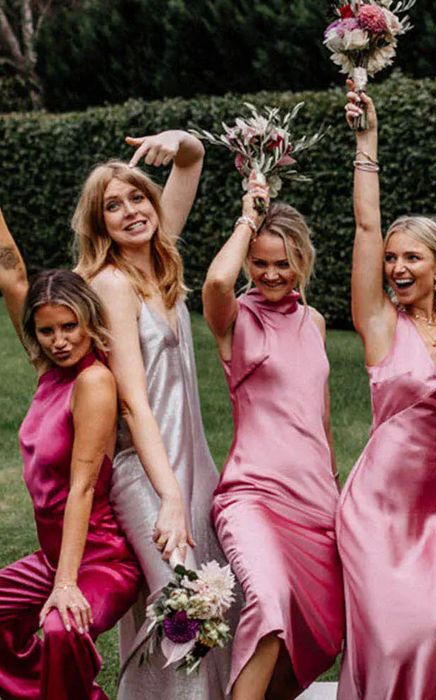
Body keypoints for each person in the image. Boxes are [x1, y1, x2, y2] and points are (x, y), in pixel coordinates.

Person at [338, 88, 436, 699]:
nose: (397, 267)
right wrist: (366, 144)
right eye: (392, 258)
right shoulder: (379, 321)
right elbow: (366, 225)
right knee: (388, 640)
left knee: (433, 630)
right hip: (376, 508)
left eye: (412, 257)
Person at [72, 131, 232, 698]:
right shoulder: (112, 285)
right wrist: (166, 497)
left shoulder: (160, 263)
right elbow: (133, 402)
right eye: (113, 206)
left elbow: (193, 160)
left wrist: (181, 140)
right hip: (145, 470)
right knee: (181, 612)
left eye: (137, 197)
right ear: (100, 224)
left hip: (192, 464)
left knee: (204, 616)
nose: (131, 211)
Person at [203, 178, 344, 699]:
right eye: (259, 263)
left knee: (327, 632)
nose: (270, 274)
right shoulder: (236, 319)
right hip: (253, 494)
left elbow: (320, 416)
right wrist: (247, 216)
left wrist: (334, 486)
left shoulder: (316, 322)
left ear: (301, 261)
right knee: (268, 599)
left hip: (315, 501)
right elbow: (216, 284)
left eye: (282, 263)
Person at [0, 208, 141, 699]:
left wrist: (66, 584)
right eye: (47, 331)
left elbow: (81, 488)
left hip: (101, 559)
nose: (60, 341)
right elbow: (12, 271)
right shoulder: (49, 372)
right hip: (54, 553)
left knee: (63, 628)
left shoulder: (94, 381)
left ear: (89, 322)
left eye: (70, 327)